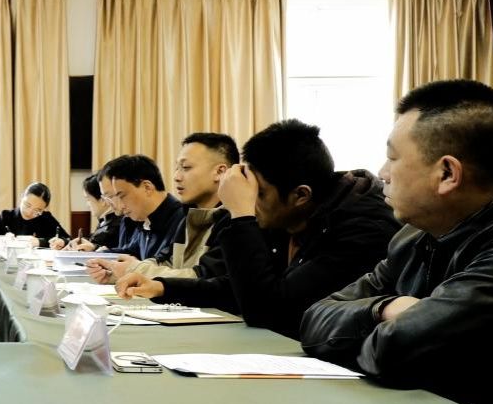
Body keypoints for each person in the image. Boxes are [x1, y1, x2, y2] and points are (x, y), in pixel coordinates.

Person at [301, 81, 493, 404]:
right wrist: (385, 308)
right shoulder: (412, 238)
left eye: (392, 158)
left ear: (447, 173)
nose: (382, 174)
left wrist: (370, 332)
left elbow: (394, 351)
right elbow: (315, 319)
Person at [119, 119, 399, 339]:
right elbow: (239, 287)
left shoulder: (363, 228)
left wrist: (241, 216)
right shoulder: (287, 213)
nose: (252, 202)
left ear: (300, 195)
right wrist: (162, 287)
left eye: (259, 194)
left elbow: (269, 310)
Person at [92, 132, 237, 283]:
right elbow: (165, 261)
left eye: (186, 167)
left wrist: (133, 270)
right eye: (177, 168)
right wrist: (121, 274)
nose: (176, 177)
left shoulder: (233, 221)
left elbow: (204, 279)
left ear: (220, 172)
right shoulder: (191, 216)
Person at [96, 155, 185, 262]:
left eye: (122, 196)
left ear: (147, 187)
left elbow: (164, 264)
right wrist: (95, 255)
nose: (121, 205)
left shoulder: (183, 220)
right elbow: (131, 251)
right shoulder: (146, 219)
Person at [0, 182, 70, 249]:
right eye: (27, 205)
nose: (29, 212)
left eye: (37, 210)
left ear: (44, 209)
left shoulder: (46, 218)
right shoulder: (6, 216)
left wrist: (40, 242)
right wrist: (3, 240)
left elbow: (68, 239)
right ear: (21, 198)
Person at [69, 172, 120, 250]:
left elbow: (96, 242)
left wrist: (93, 247)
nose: (87, 205)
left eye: (88, 199)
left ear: (103, 200)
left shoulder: (116, 224)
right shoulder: (105, 220)